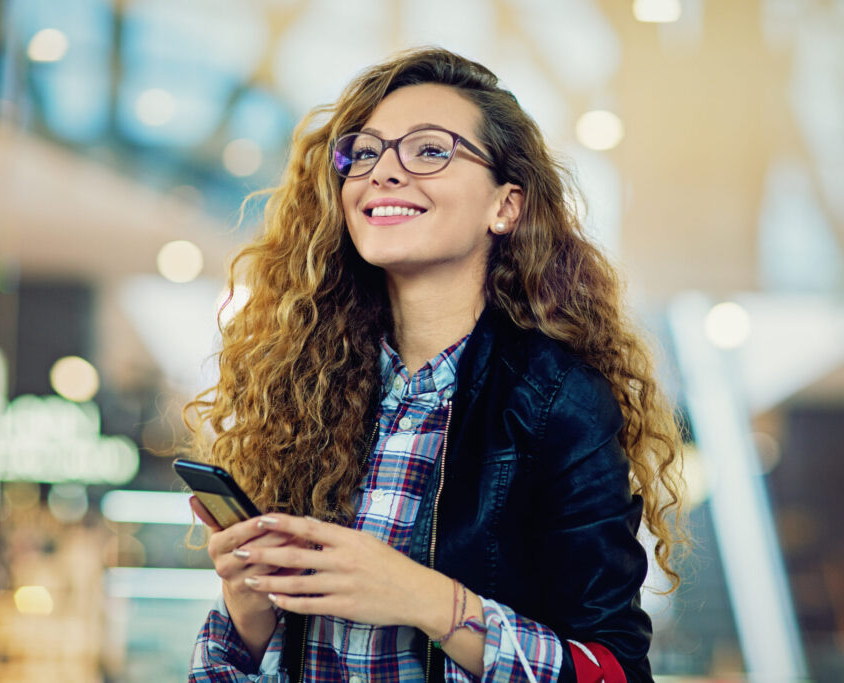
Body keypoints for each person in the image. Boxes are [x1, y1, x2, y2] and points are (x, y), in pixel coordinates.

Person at [184, 47, 685, 683]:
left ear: (505, 206)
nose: (383, 174)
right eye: (364, 153)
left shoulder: (560, 402)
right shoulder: (305, 388)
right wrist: (249, 609)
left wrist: (422, 598)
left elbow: (613, 670)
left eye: (430, 150)